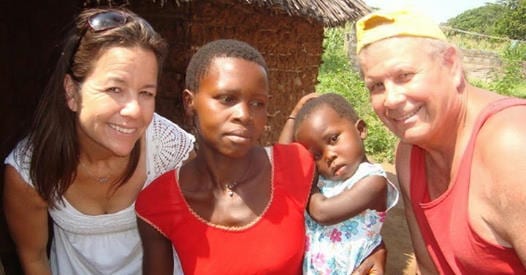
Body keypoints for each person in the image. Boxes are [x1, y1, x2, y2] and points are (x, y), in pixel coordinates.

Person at [135, 39, 387, 275]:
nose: (244, 114)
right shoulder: (157, 203)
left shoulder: (297, 165)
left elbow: (356, 196)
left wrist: (376, 248)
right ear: (190, 102)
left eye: (258, 103)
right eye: (227, 99)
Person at [3, 8, 195, 274]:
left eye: (146, 93)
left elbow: (201, 237)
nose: (134, 111)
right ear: (72, 92)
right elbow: (34, 258)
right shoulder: (29, 171)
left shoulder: (170, 148)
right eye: (115, 89)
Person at [355, 8, 526, 274]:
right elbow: (430, 267)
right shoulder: (409, 154)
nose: (391, 99)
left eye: (405, 76)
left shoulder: (512, 145)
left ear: (452, 65)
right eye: (376, 86)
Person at [279, 93, 399, 274]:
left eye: (333, 139)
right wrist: (293, 116)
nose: (329, 156)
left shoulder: (373, 181)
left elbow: (323, 212)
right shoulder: (324, 181)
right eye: (316, 156)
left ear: (360, 130)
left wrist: (305, 184)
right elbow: (284, 162)